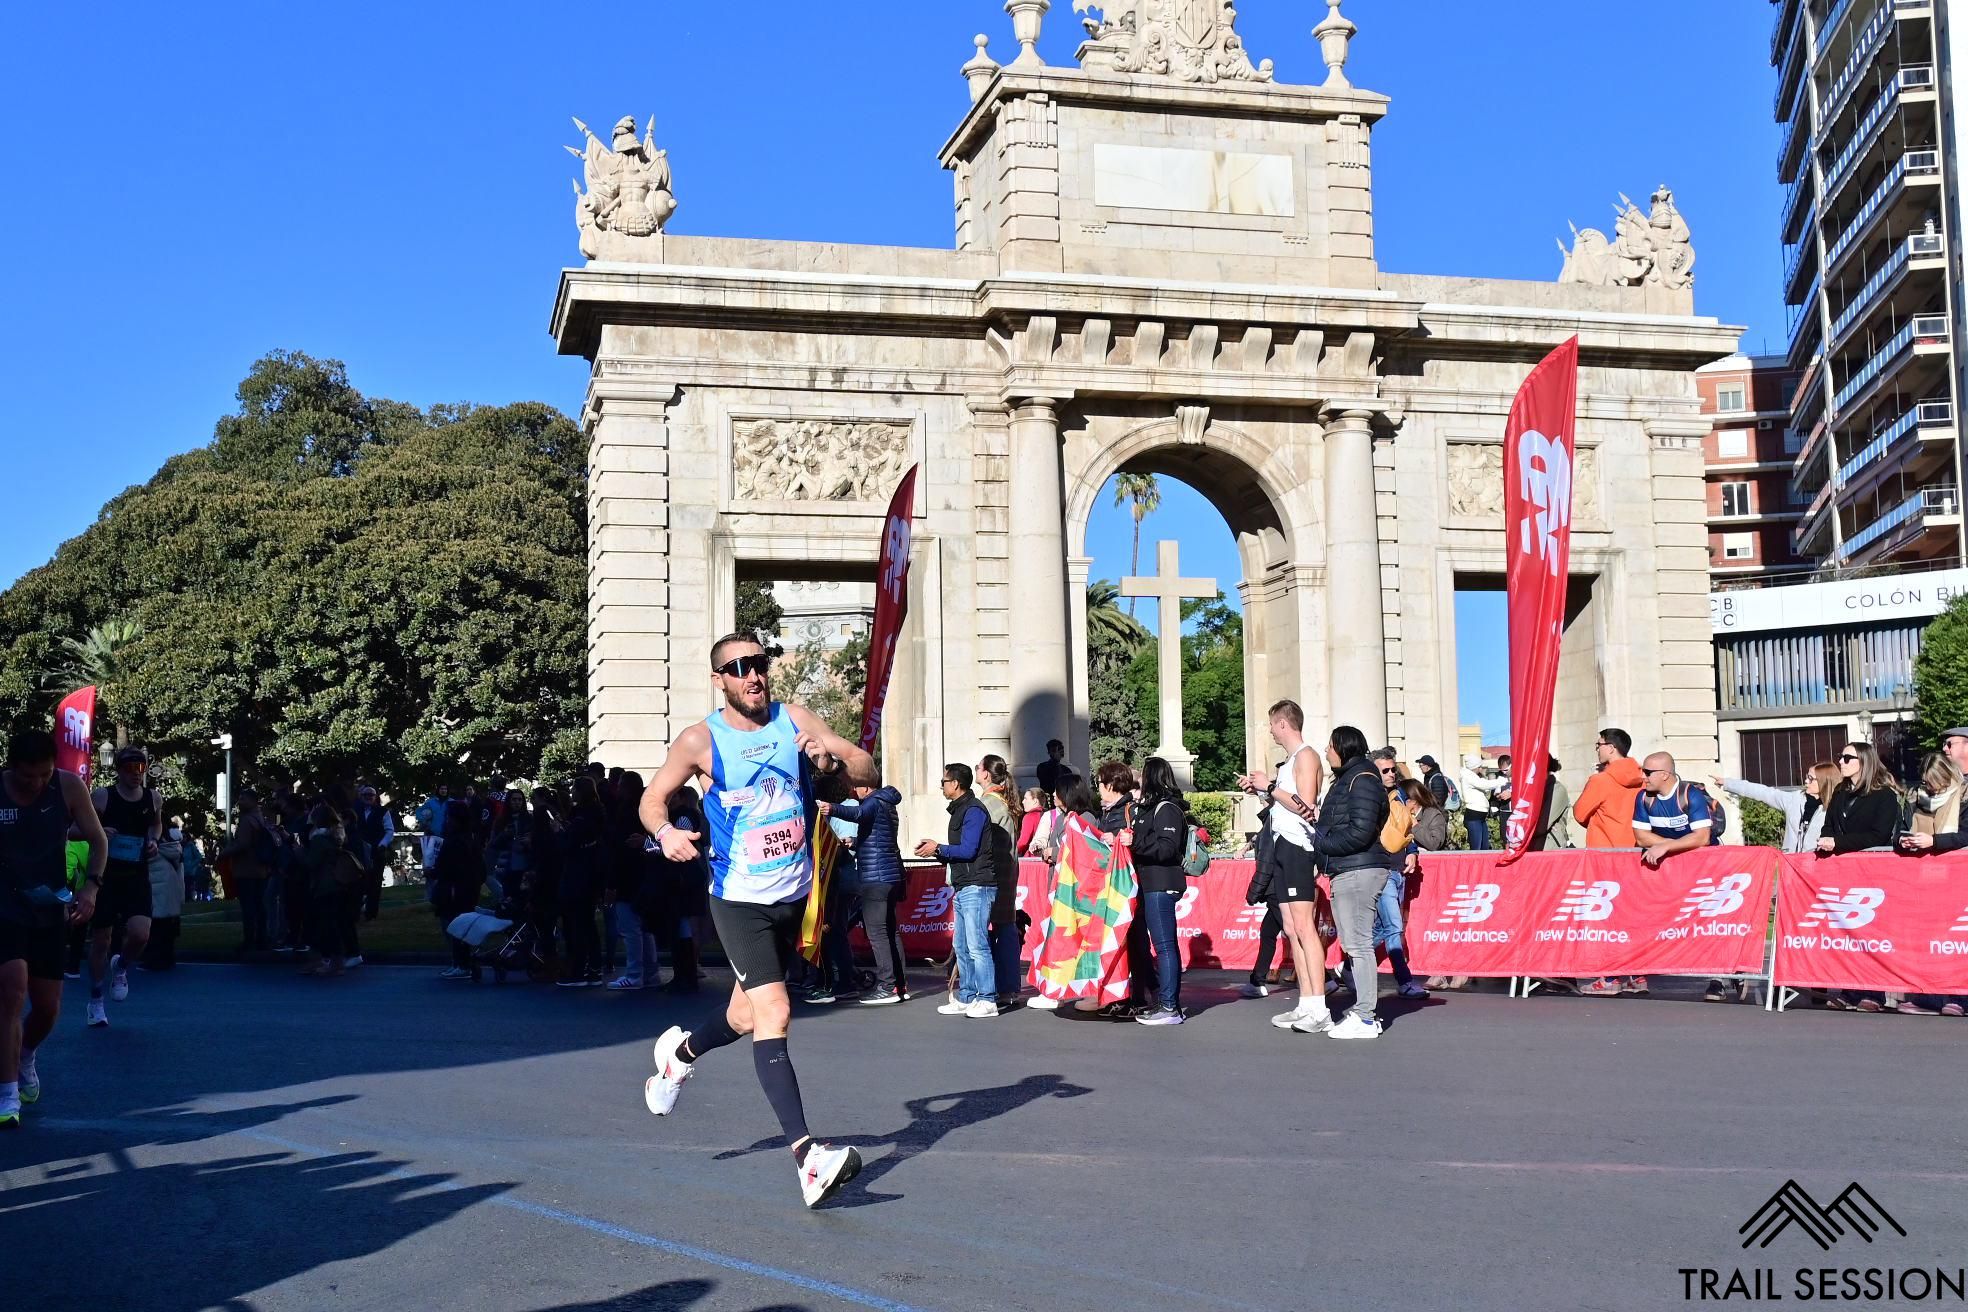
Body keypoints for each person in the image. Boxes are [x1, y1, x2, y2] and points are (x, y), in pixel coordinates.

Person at [638, 633, 877, 1209]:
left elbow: (865, 769)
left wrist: (835, 755)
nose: (753, 675)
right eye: (738, 668)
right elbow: (651, 801)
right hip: (739, 898)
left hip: (793, 895)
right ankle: (808, 1158)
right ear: (719, 679)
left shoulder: (794, 719)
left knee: (744, 1014)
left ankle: (679, 1057)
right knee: (776, 1011)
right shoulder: (701, 739)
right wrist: (667, 833)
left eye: (759, 664)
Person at [0, 731, 108, 1126]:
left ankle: (26, 1053)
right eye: (28, 776)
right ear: (12, 766)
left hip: (50, 903)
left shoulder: (67, 786)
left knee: (46, 1008)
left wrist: (91, 888)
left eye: (44, 774)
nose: (37, 783)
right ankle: (7, 1094)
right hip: (5, 902)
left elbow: (98, 842)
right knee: (11, 991)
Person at [1578, 751, 1712, 1000]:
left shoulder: (1689, 794)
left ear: (1665, 774)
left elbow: (1702, 837)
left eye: (1648, 772)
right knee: (1634, 917)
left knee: (1709, 924)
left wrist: (1666, 847)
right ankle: (1631, 973)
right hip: (1663, 867)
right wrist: (1670, 846)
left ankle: (1721, 980)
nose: (1643, 776)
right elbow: (1642, 837)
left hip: (1703, 869)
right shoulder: (1644, 798)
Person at [1237, 700, 1331, 1033]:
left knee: (1304, 927)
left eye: (1271, 725)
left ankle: (1319, 1006)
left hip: (1297, 847)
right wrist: (1262, 793)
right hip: (1279, 843)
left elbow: (1305, 807)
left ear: (1282, 724)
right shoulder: (1290, 761)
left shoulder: (1306, 756)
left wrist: (1270, 787)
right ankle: (1306, 1002)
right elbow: (1282, 803)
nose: (1270, 732)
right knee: (1291, 928)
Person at [1316, 726, 1393, 1039]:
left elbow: (1360, 832)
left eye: (1329, 745)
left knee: (1359, 945)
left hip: (1358, 869)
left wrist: (1322, 844)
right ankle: (1362, 1013)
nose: (1325, 751)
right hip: (1350, 868)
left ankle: (1364, 1016)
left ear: (1343, 748)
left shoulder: (1362, 780)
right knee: (1354, 944)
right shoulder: (1351, 778)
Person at [915, 762, 1002, 1019]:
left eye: (944, 781)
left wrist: (938, 848)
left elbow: (969, 850)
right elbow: (961, 853)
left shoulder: (974, 811)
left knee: (977, 945)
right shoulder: (960, 810)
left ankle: (987, 998)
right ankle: (967, 995)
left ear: (955, 784)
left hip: (978, 885)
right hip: (964, 885)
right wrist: (936, 851)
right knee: (962, 945)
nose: (941, 786)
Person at [87, 745, 160, 1027]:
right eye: (130, 769)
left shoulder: (153, 798)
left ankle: (121, 966)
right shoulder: (103, 796)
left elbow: (156, 825)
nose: (136, 774)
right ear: (118, 770)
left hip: (136, 875)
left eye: (141, 768)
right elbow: (74, 828)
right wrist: (98, 832)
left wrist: (153, 840)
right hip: (105, 875)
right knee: (102, 939)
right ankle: (95, 999)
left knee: (140, 934)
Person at [1127, 756, 1192, 1026]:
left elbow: (1166, 848)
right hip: (1150, 883)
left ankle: (1169, 1007)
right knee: (1161, 945)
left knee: (1164, 946)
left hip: (1161, 883)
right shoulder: (1150, 807)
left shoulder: (1167, 809)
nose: (1139, 778)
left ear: (1151, 775)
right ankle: (1164, 1002)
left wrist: (1135, 843)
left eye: (1143, 773)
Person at [830, 783, 906, 1004]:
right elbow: (876, 840)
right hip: (889, 874)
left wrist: (831, 809)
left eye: (858, 785)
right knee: (890, 931)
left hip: (876, 876)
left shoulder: (872, 802)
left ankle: (886, 986)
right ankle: (899, 985)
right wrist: (854, 842)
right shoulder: (887, 803)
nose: (855, 789)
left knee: (877, 934)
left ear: (868, 786)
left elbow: (857, 814)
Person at [1367, 752, 1429, 1001]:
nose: (1392, 774)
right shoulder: (1370, 798)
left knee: (1385, 927)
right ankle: (1404, 981)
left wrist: (1412, 851)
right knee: (1393, 927)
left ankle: (1347, 966)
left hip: (1399, 869)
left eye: (1393, 770)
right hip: (1381, 870)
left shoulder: (1400, 796)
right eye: (1385, 771)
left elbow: (1407, 830)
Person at [1714, 761, 1835, 856]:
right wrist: (1728, 783)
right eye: (1806, 776)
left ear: (1823, 782)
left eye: (1810, 778)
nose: (1806, 781)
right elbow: (1763, 792)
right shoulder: (1793, 799)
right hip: (1790, 864)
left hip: (1819, 868)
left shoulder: (1835, 807)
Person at [1815, 742, 1901, 856]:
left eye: (1847, 758)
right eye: (1840, 757)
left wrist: (1837, 842)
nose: (1840, 761)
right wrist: (1825, 841)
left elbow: (1879, 836)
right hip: (1839, 862)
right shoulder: (1840, 791)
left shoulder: (1884, 795)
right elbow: (1829, 825)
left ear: (1864, 761)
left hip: (1871, 862)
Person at [220, 790, 276, 953]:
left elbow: (242, 844)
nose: (239, 802)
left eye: (243, 799)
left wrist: (224, 853)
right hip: (260, 869)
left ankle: (250, 941)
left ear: (252, 801)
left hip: (246, 869)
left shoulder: (247, 820)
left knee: (249, 907)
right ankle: (261, 939)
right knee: (260, 906)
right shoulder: (260, 819)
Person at [1573, 729, 1645, 849]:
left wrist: (1598, 822)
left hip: (1603, 851)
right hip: (1635, 849)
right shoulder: (1643, 778)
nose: (1597, 749)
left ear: (1611, 748)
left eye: (1599, 745)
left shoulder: (1600, 780)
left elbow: (1579, 814)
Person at [1459, 752, 1500, 850]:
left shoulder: (1475, 777)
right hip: (1474, 815)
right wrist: (1501, 781)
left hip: (1480, 816)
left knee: (1484, 846)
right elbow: (1483, 785)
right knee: (1476, 847)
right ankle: (1475, 865)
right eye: (1480, 766)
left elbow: (1484, 787)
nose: (1481, 769)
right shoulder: (1468, 776)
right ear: (1475, 767)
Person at [415, 783, 450, 877]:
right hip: (432, 836)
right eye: (441, 788)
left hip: (447, 836)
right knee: (431, 863)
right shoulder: (430, 803)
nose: (443, 791)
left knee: (447, 862)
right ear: (438, 790)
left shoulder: (451, 802)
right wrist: (425, 823)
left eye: (445, 789)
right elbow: (418, 812)